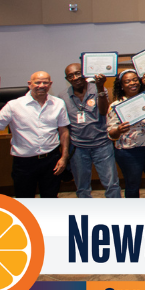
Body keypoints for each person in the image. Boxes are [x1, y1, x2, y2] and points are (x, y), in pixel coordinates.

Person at [0, 72, 69, 198]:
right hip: (24, 163)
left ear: (50, 84)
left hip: (51, 160)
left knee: (50, 198)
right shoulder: (14, 105)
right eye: (37, 82)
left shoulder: (58, 103)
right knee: (24, 199)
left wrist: (64, 157)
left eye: (45, 82)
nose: (41, 85)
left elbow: (63, 131)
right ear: (29, 84)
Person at [57, 64, 119, 198]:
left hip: (102, 144)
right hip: (78, 148)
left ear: (85, 73)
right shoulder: (63, 96)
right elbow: (64, 125)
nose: (75, 78)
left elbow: (103, 112)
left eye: (78, 73)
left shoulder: (97, 88)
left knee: (111, 184)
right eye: (71, 76)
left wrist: (100, 88)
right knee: (82, 187)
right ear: (67, 79)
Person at [106, 70, 145, 198]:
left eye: (135, 79)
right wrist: (118, 130)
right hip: (128, 151)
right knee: (133, 184)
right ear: (121, 85)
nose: (132, 83)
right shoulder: (116, 106)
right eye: (127, 81)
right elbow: (111, 133)